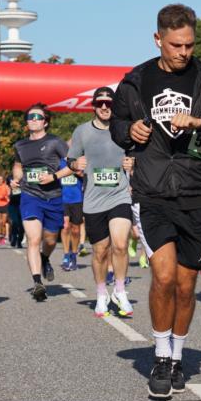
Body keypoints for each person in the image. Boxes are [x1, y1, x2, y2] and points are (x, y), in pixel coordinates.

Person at [110, 3, 201, 399]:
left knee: (186, 287)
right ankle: (161, 356)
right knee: (164, 276)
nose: (184, 52)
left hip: (195, 191)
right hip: (151, 191)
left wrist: (199, 122)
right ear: (158, 39)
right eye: (176, 45)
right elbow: (118, 125)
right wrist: (129, 129)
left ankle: (179, 355)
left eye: (189, 44)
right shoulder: (136, 80)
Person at [69, 86, 135, 317]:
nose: (105, 107)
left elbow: (138, 154)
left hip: (119, 196)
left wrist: (132, 164)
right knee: (100, 251)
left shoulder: (125, 130)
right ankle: (101, 293)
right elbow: (70, 160)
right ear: (94, 106)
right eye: (100, 103)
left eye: (109, 103)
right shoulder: (82, 132)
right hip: (94, 200)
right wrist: (75, 165)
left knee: (119, 244)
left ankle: (120, 290)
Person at [10, 103, 71, 302]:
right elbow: (18, 166)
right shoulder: (20, 145)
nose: (33, 119)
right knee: (34, 239)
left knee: (51, 240)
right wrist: (16, 178)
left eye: (38, 116)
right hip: (30, 195)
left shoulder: (55, 142)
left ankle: (45, 258)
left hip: (53, 197)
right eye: (30, 116)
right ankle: (37, 283)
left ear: (45, 121)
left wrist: (54, 177)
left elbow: (73, 165)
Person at [58, 152, 84, 271]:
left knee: (75, 229)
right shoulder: (60, 162)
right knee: (65, 226)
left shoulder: (79, 161)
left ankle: (73, 255)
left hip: (77, 199)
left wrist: (78, 171)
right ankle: (66, 255)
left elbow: (85, 175)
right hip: (63, 199)